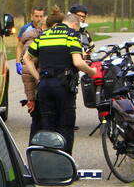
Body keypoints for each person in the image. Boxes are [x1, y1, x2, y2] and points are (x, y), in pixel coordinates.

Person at [23, 12, 96, 153]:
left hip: (44, 86)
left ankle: (47, 163)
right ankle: (65, 165)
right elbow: (78, 62)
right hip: (63, 86)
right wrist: (92, 72)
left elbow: (27, 58)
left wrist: (38, 77)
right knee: (65, 126)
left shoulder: (44, 35)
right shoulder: (72, 36)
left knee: (47, 125)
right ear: (75, 25)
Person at [15, 6, 46, 128]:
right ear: (32, 16)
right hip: (27, 62)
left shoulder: (46, 27)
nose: (39, 18)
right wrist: (18, 62)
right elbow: (19, 45)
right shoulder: (26, 29)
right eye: (36, 16)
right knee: (30, 84)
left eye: (41, 16)